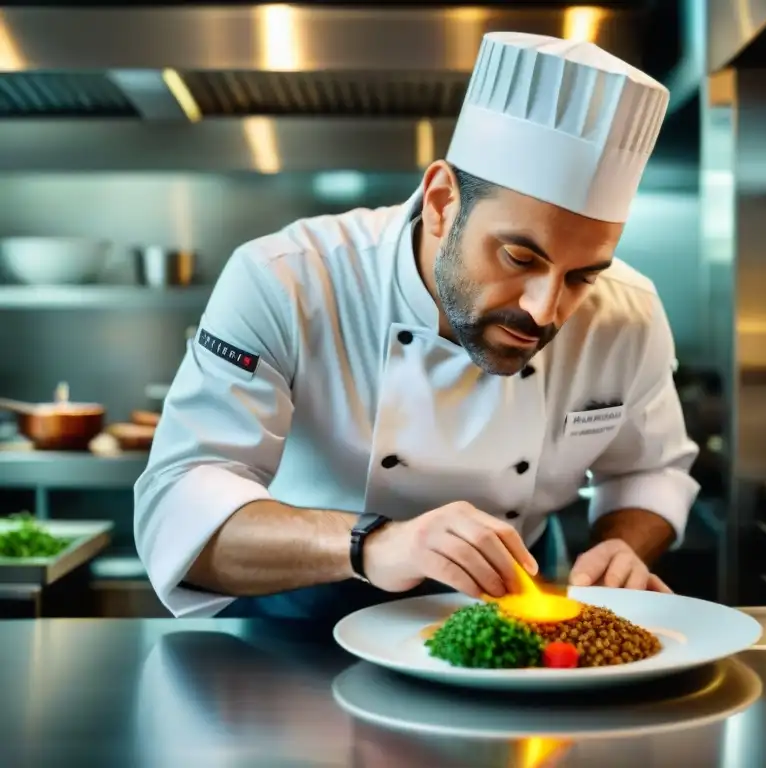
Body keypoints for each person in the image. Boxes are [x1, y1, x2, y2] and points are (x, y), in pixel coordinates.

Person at [134, 31, 700, 621]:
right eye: (519, 258)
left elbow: (649, 468)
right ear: (440, 202)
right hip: (297, 623)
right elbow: (179, 507)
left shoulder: (628, 312)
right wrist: (375, 543)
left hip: (517, 621)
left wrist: (622, 548)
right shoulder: (288, 280)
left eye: (582, 275)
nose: (543, 309)